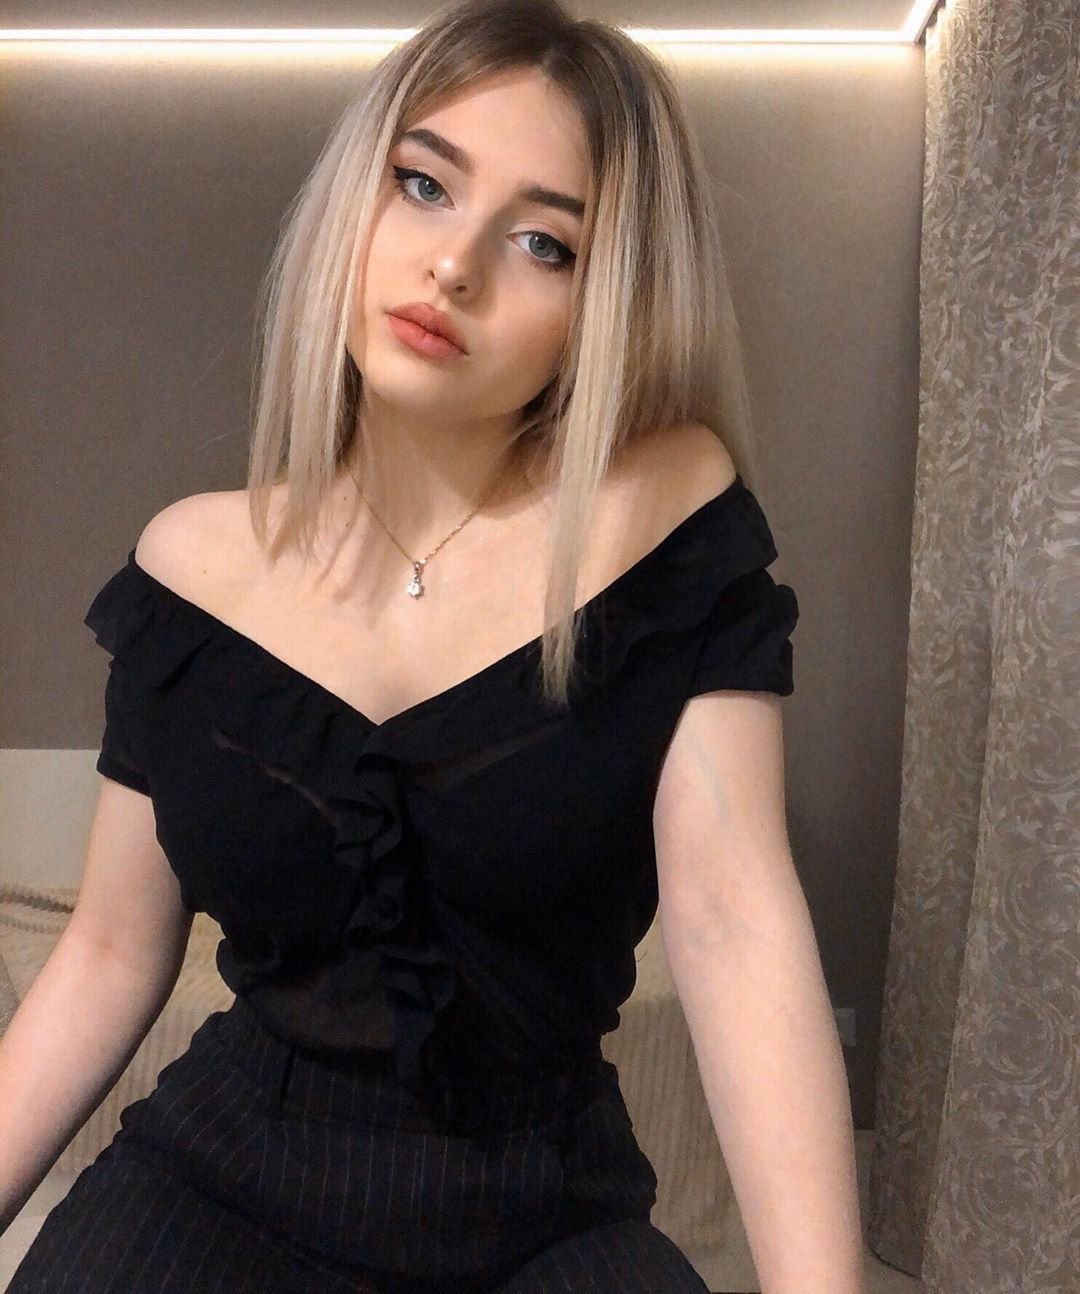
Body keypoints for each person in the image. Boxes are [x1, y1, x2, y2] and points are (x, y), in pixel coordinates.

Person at [2, 0, 866, 1290]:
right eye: (422, 184)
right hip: (221, 1178)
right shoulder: (190, 563)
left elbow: (736, 922)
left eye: (543, 241)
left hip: (545, 1209)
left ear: (605, 305)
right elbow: (113, 951)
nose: (455, 265)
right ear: (352, 203)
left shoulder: (665, 524)